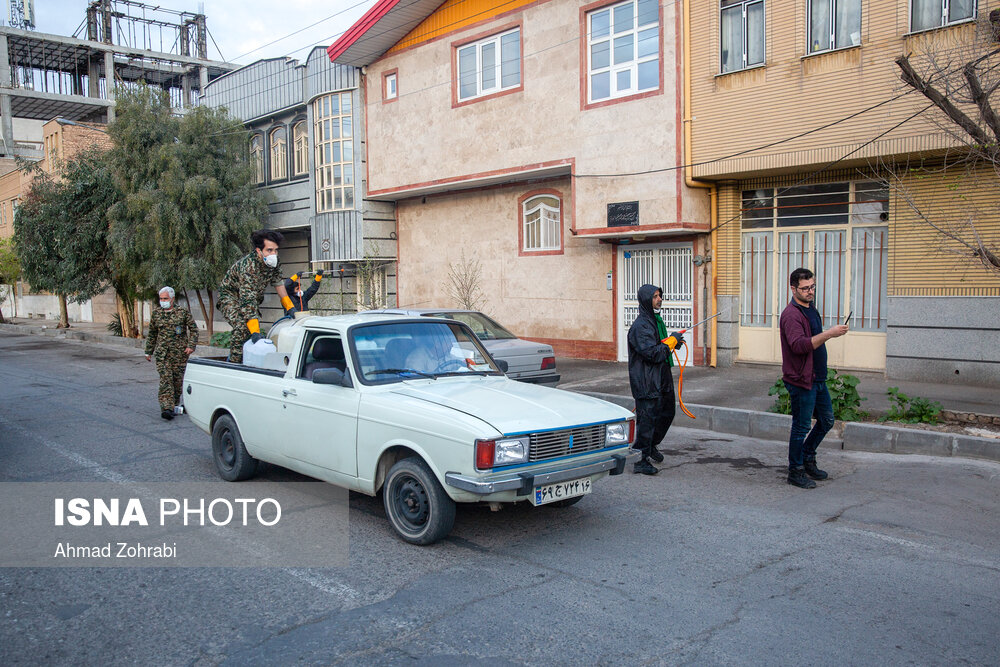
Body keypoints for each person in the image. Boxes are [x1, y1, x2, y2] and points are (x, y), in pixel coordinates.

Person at [779, 268, 849, 489]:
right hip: (801, 380)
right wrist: (829, 333)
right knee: (801, 427)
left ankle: (808, 458)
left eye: (812, 287)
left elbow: (814, 341)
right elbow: (799, 346)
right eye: (805, 288)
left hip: (817, 378)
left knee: (827, 420)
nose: (810, 291)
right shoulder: (791, 315)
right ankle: (795, 470)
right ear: (793, 289)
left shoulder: (811, 310)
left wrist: (828, 334)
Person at [627, 284, 685, 475]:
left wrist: (672, 343)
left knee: (667, 413)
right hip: (646, 381)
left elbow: (659, 346)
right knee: (647, 421)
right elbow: (652, 353)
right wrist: (671, 343)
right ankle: (640, 459)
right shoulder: (640, 326)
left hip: (662, 378)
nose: (659, 299)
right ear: (645, 300)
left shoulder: (654, 321)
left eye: (659, 295)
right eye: (655, 296)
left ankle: (651, 445)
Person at [217, 229, 294, 364]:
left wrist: (290, 307)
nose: (273, 254)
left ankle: (246, 358)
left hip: (250, 298)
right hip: (230, 297)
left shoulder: (274, 262)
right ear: (259, 251)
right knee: (242, 326)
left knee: (251, 329)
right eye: (269, 250)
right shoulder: (248, 267)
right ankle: (234, 363)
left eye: (276, 250)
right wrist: (255, 331)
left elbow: (278, 283)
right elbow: (248, 300)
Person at [144, 286, 199, 420]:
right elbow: (152, 334)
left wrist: (191, 346)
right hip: (163, 354)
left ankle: (173, 404)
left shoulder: (183, 313)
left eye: (165, 298)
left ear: (172, 299)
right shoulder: (157, 314)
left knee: (177, 381)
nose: (163, 301)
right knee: (165, 380)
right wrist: (148, 351)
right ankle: (166, 408)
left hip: (179, 354)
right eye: (161, 299)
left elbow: (194, 330)